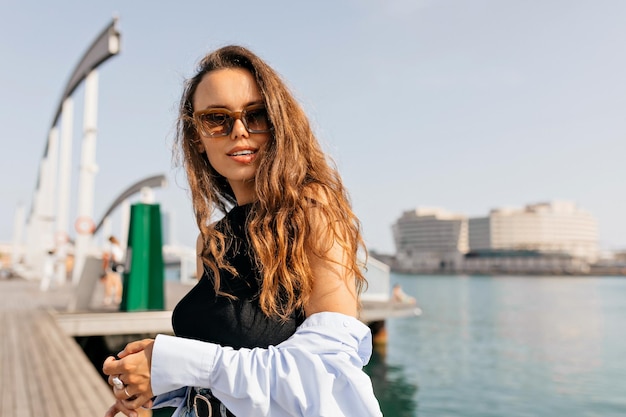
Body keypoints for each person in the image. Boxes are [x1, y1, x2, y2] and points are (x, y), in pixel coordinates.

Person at [102, 45, 383, 417]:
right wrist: (154, 392)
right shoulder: (211, 241)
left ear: (280, 123)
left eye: (257, 115)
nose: (238, 130)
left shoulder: (312, 212)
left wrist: (173, 360)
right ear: (197, 138)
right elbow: (220, 374)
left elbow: (329, 377)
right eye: (216, 119)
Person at [101, 235, 124, 305]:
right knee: (118, 283)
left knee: (109, 283)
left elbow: (113, 257)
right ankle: (118, 298)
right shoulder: (119, 247)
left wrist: (107, 265)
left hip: (112, 267)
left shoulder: (113, 247)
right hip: (118, 267)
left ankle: (108, 298)